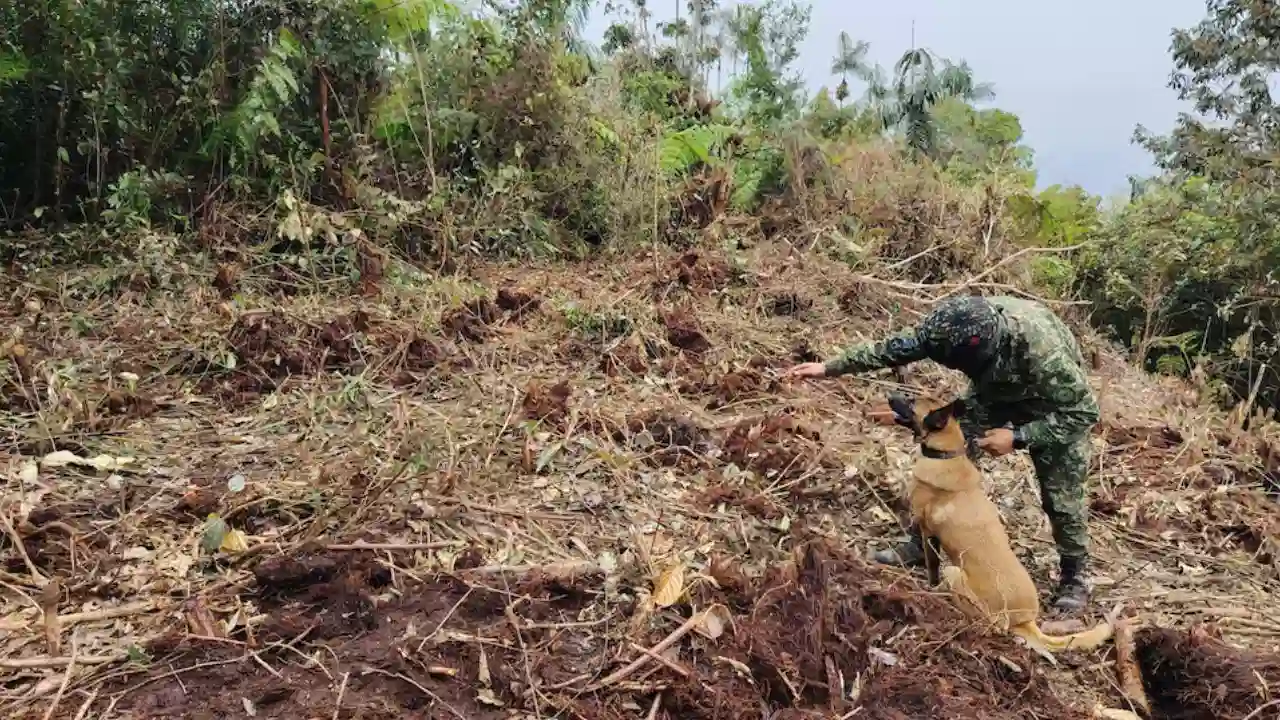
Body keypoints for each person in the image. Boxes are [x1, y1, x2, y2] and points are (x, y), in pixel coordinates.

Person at [784, 294, 1100, 611]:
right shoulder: (948, 331)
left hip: (1056, 407)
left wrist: (1018, 437)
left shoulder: (1043, 353)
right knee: (951, 452)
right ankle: (924, 545)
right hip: (992, 393)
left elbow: (1084, 412)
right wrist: (829, 368)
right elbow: (893, 349)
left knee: (1062, 495)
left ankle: (1075, 576)